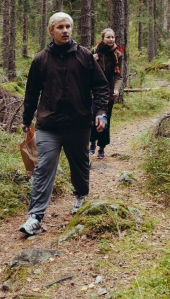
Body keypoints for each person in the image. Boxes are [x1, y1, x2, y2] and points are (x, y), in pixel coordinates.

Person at [19, 12, 110, 236]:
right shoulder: (41, 59)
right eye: (60, 27)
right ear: (51, 30)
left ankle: (80, 196)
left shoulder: (85, 56)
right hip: (49, 124)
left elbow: (100, 86)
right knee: (44, 167)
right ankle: (35, 217)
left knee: (79, 165)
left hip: (78, 124)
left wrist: (101, 112)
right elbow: (31, 92)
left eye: (68, 26)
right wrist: (26, 119)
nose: (65, 30)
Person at [90, 28, 124, 159]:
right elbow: (87, 72)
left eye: (113, 37)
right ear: (103, 38)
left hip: (108, 92)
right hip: (93, 91)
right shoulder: (94, 52)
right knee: (92, 116)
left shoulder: (118, 55)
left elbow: (119, 76)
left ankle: (102, 147)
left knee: (105, 119)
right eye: (108, 37)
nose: (111, 40)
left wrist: (116, 88)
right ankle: (92, 142)